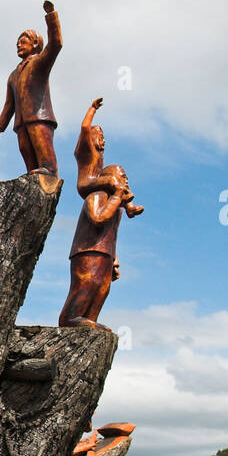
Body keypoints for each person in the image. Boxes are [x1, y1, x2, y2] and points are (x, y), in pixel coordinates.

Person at [58, 99, 144, 329]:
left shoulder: (114, 205)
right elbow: (97, 218)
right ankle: (70, 318)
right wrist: (92, 110)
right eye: (121, 176)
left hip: (103, 253)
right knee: (87, 284)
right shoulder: (95, 194)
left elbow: (112, 233)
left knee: (102, 287)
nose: (123, 180)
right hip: (88, 251)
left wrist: (114, 258)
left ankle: (90, 320)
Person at [0, 0, 63, 175]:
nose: (18, 44)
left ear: (34, 44)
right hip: (21, 123)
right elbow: (9, 104)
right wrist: (0, 125)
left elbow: (56, 44)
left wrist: (51, 15)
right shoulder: (13, 75)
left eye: (23, 41)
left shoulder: (39, 63)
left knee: (45, 159)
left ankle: (49, 172)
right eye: (17, 42)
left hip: (39, 117)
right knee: (29, 162)